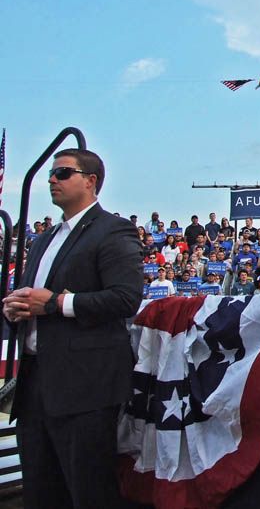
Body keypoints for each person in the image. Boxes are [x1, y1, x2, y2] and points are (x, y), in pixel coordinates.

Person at [2, 148, 143, 507]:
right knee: (41, 491)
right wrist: (16, 308)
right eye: (52, 174)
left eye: (63, 173)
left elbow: (125, 298)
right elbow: (35, 297)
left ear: (90, 181)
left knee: (88, 491)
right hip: (35, 385)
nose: (52, 179)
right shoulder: (45, 238)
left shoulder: (113, 230)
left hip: (86, 387)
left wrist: (56, 303)